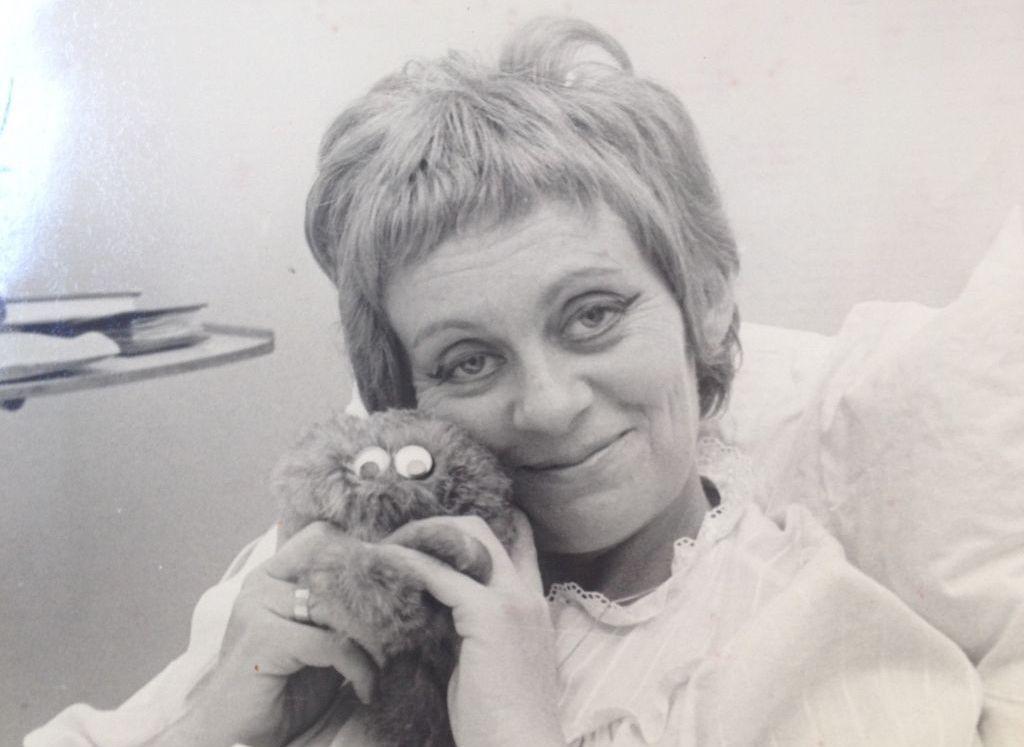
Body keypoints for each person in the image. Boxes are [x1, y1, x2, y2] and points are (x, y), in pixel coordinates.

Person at [28, 16, 987, 747]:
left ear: (707, 302)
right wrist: (213, 726)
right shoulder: (340, 583)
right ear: (404, 396)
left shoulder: (827, 652)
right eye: (468, 361)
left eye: (593, 315)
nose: (548, 402)